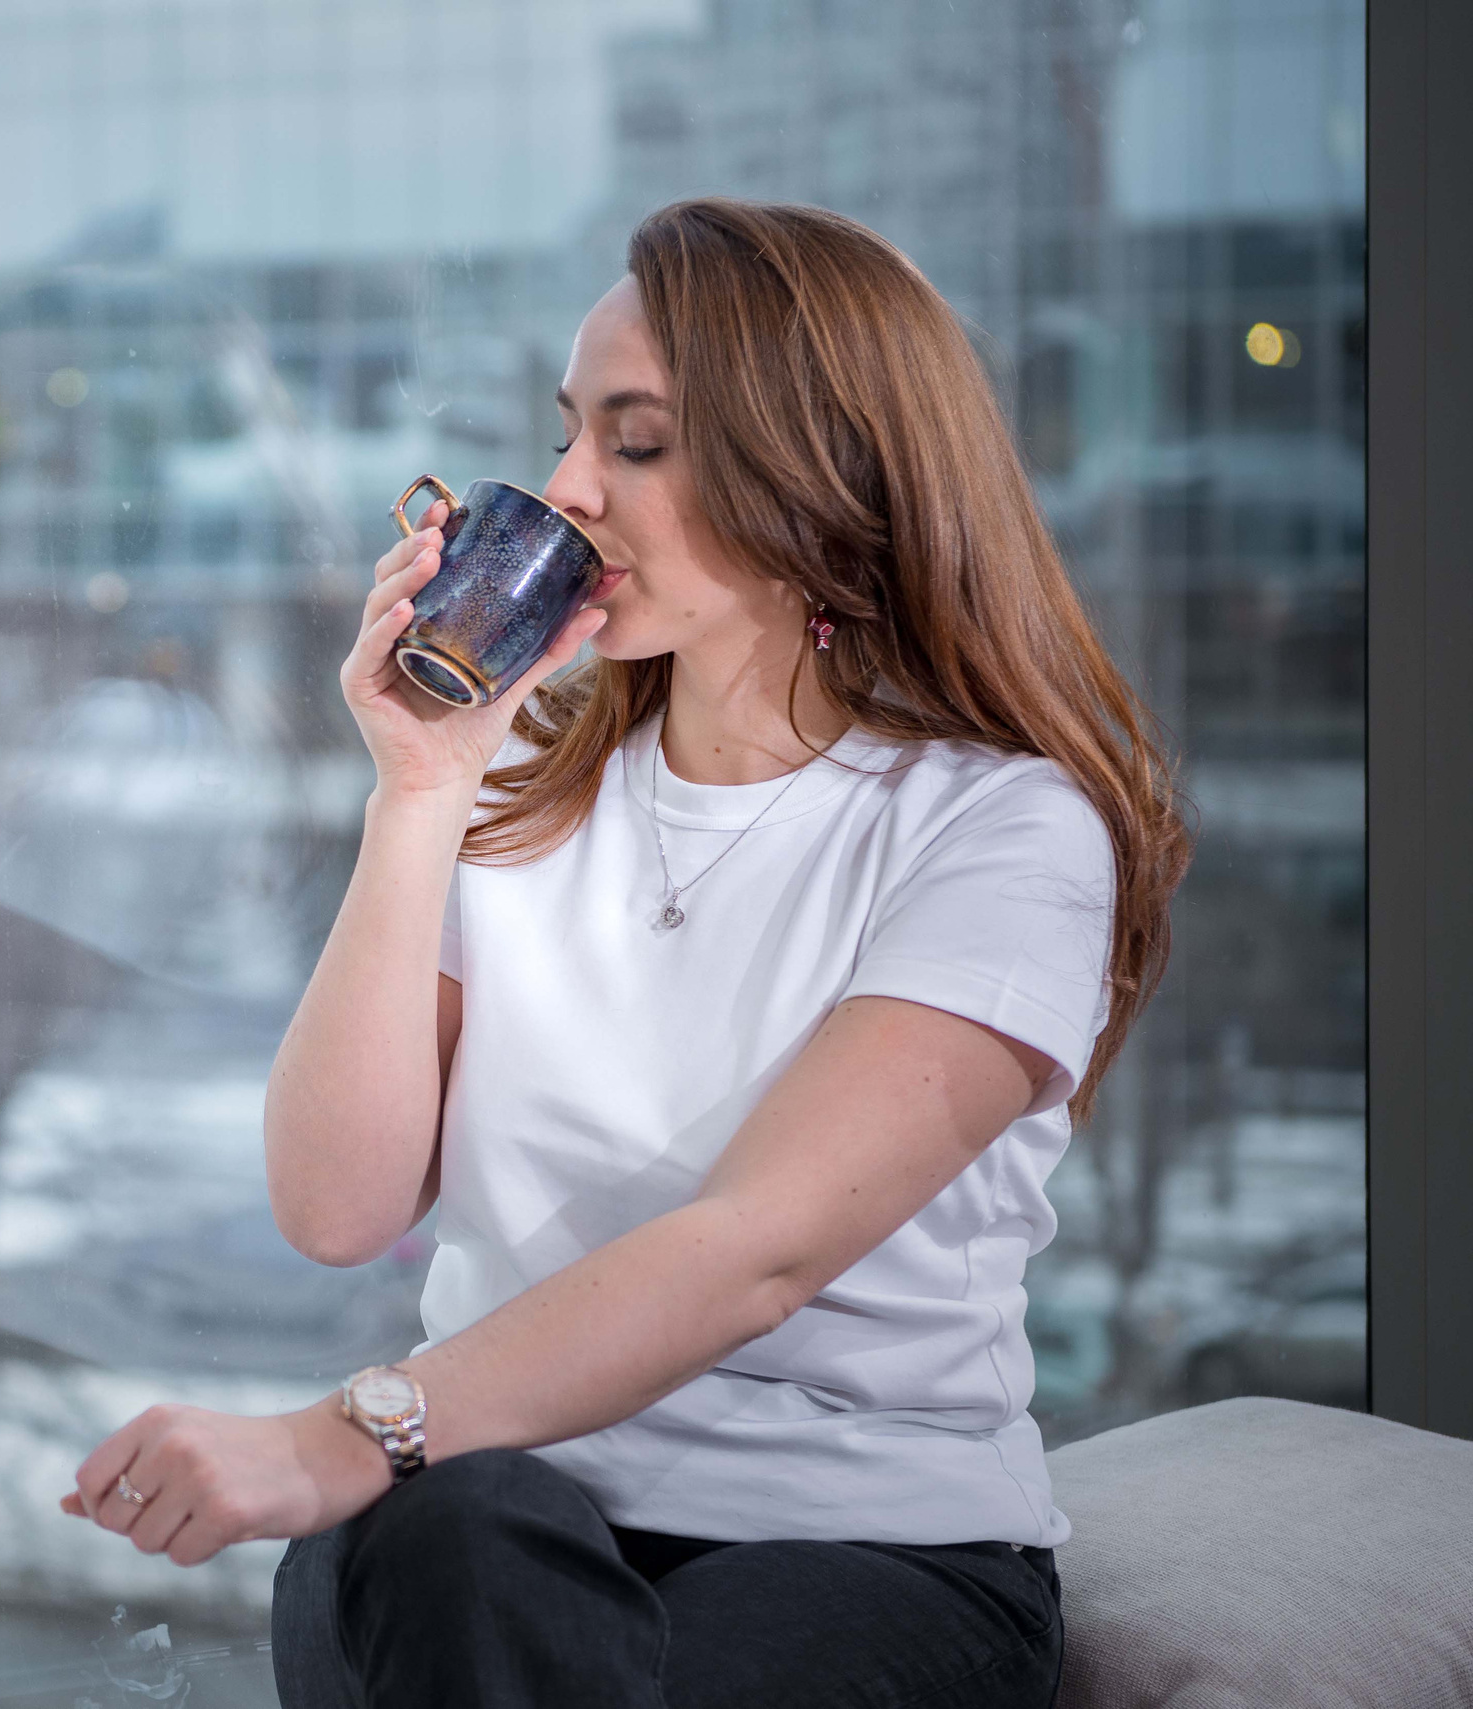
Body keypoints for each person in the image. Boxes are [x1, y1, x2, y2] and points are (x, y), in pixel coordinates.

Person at [58, 198, 1189, 1708]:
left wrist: (332, 1435)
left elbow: (754, 1251)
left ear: (824, 470)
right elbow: (337, 1206)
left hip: (861, 1551)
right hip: (476, 1515)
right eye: (569, 431)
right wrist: (419, 790)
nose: (567, 487)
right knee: (457, 1534)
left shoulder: (998, 828)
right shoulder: (519, 774)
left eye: (637, 442)